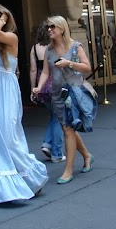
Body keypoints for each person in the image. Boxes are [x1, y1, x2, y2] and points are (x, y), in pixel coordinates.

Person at [0, 5, 48, 204]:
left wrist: (4, 17)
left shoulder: (10, 38)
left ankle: (33, 177)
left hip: (5, 91)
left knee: (8, 138)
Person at [33, 15, 94, 185]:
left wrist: (69, 63)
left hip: (73, 93)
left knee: (67, 130)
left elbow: (87, 67)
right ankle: (87, 156)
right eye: (48, 27)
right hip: (57, 94)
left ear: (62, 29)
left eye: (52, 26)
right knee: (68, 129)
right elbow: (46, 72)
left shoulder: (75, 46)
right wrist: (39, 86)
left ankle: (68, 170)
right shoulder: (49, 51)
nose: (49, 30)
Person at [29, 21, 64, 163]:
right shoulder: (53, 48)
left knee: (54, 115)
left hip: (42, 86)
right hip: (55, 85)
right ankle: (56, 151)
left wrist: (34, 88)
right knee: (59, 118)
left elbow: (33, 69)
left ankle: (47, 144)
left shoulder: (35, 48)